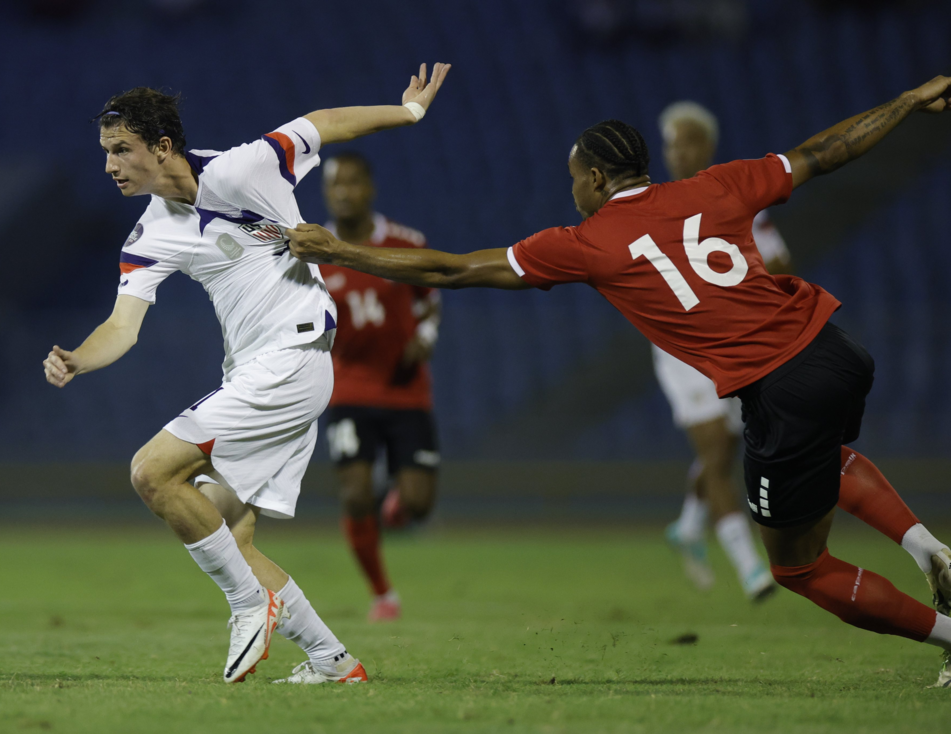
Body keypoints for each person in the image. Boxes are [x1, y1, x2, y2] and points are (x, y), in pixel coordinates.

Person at [285, 76, 951, 687]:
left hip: (779, 387)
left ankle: (948, 633)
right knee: (823, 462)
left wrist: (341, 252)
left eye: (574, 179)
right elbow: (825, 151)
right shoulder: (717, 184)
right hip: (835, 349)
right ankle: (927, 548)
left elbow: (452, 271)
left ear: (598, 178)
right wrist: (906, 103)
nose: (571, 191)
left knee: (800, 566)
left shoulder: (589, 241)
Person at [42, 62, 451, 685]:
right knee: (229, 533)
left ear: (162, 146)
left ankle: (246, 605)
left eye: (121, 150)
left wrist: (409, 112)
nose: (110, 165)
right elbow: (122, 326)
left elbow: (320, 125)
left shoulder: (243, 167)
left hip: (290, 358)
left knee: (153, 473)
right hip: (269, 371)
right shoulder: (151, 231)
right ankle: (333, 662)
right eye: (106, 152)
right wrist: (77, 356)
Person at [654, 101, 791, 602]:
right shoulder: (651, 202)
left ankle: (689, 526)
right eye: (670, 143)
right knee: (715, 448)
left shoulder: (736, 195)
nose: (677, 152)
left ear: (709, 146)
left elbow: (779, 265)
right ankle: (751, 568)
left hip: (732, 343)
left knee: (725, 448)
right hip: (679, 346)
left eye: (687, 141)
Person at [317, 151, 441, 622]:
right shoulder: (315, 252)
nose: (344, 192)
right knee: (354, 493)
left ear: (370, 188)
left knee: (419, 504)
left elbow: (430, 300)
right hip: (349, 390)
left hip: (407, 390)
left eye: (352, 183)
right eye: (334, 185)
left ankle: (395, 506)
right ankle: (383, 594)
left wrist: (426, 338)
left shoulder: (406, 243)